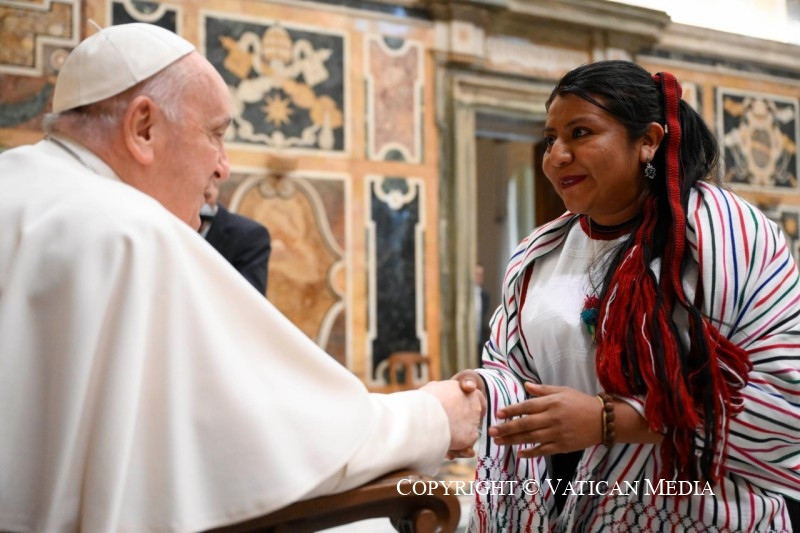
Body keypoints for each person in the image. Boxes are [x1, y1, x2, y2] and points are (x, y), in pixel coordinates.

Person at [0, 23, 484, 532]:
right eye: (215, 134)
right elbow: (271, 439)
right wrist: (433, 415)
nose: (223, 167)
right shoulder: (136, 232)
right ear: (143, 128)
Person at [455, 60, 800, 532]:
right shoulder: (538, 253)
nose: (556, 156)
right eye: (551, 138)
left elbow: (785, 404)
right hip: (569, 507)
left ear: (649, 141)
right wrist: (478, 392)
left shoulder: (727, 238)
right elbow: (510, 371)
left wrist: (609, 421)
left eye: (580, 133)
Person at [200, 176, 272, 294]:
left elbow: (248, 295)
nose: (199, 205)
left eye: (205, 197)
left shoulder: (250, 235)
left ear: (215, 186)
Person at [474, 263, 490, 366]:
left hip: (481, 337)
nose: (479, 277)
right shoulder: (466, 297)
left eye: (481, 274)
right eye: (477, 274)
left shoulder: (485, 296)